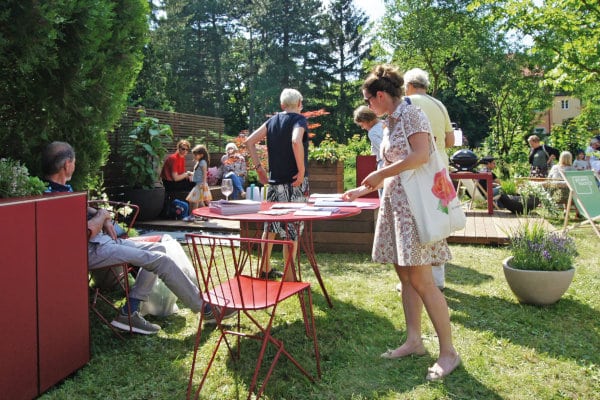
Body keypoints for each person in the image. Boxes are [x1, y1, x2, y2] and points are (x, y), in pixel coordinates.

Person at [342, 65, 460, 381]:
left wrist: (381, 174)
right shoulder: (391, 121)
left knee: (423, 280)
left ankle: (449, 352)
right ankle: (414, 340)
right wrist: (363, 188)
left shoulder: (411, 114)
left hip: (414, 210)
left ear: (380, 95)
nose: (368, 105)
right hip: (396, 207)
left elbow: (421, 155)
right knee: (405, 277)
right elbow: (391, 166)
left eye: (369, 99)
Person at [42, 141, 232, 334]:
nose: (74, 166)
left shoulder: (59, 190)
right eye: (73, 162)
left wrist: (102, 215)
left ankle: (130, 311)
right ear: (67, 164)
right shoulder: (55, 198)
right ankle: (205, 309)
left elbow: (85, 210)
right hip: (89, 249)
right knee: (161, 260)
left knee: (159, 248)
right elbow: (86, 231)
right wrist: (102, 216)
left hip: (99, 243)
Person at [245, 88, 309, 281]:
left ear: (282, 105)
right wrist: (302, 170)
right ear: (299, 104)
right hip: (294, 183)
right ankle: (289, 276)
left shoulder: (271, 121)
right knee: (292, 229)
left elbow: (249, 142)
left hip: (274, 183)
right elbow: (296, 141)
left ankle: (264, 269)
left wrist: (259, 169)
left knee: (270, 228)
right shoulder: (299, 120)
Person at [403, 67, 455, 291]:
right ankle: (438, 277)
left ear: (408, 85)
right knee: (438, 221)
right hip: (441, 171)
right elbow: (451, 140)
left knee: (415, 223)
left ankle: (416, 277)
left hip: (417, 172)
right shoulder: (439, 105)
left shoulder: (406, 104)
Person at [184, 144, 211, 221]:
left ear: (201, 155)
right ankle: (205, 216)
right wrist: (191, 173)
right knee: (200, 202)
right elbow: (198, 173)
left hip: (200, 184)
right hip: (198, 183)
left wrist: (203, 184)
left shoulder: (202, 162)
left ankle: (192, 216)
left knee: (194, 200)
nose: (194, 156)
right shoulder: (199, 162)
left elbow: (204, 174)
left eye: (196, 155)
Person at [353, 105, 384, 170]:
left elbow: (384, 150)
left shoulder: (372, 132)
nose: (362, 128)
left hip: (384, 164)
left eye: (362, 125)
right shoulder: (384, 123)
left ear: (367, 120)